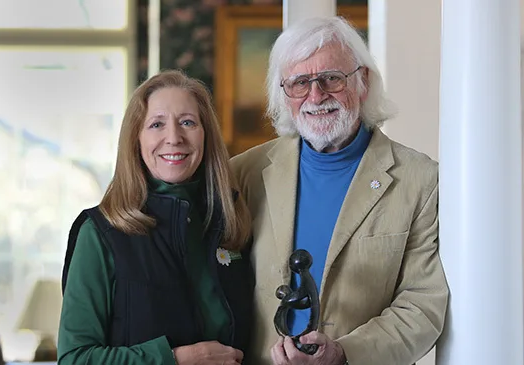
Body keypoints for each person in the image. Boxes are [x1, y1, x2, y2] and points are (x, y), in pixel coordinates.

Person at [229, 16, 449, 365]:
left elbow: (422, 302)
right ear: (284, 95)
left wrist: (344, 353)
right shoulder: (242, 174)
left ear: (362, 81)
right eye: (300, 82)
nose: (316, 96)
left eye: (331, 78)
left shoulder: (420, 180)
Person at [58, 69, 253, 365]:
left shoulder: (230, 223)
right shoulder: (99, 232)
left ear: (206, 135)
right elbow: (75, 359)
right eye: (156, 124)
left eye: (187, 122)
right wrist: (174, 359)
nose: (174, 138)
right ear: (136, 138)